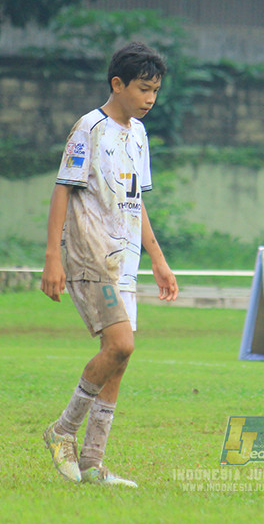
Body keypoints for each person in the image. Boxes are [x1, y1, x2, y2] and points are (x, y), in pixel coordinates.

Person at [40, 41, 178, 486]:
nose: (150, 99)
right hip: (90, 256)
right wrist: (52, 259)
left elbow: (136, 203)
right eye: (142, 89)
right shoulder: (89, 128)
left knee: (117, 361)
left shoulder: (138, 134)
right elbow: (63, 188)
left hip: (126, 261)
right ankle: (62, 430)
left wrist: (158, 259)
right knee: (121, 345)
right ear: (117, 84)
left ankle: (93, 463)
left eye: (155, 90)